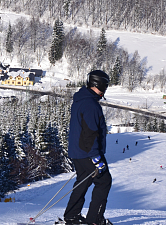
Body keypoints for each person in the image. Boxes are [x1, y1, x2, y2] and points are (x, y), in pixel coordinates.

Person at [63, 70, 112, 225]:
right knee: (104, 181)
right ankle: (94, 220)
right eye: (105, 86)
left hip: (78, 151)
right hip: (87, 152)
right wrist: (95, 157)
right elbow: (90, 133)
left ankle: (71, 216)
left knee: (83, 181)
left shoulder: (81, 99)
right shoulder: (90, 104)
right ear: (99, 84)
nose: (105, 90)